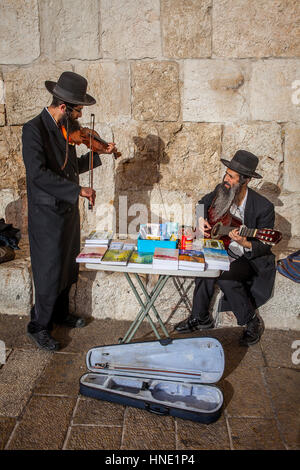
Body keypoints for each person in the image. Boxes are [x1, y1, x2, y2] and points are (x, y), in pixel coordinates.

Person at [22, 71, 118, 351]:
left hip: (67, 212)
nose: (79, 116)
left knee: (66, 266)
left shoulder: (65, 129)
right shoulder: (33, 130)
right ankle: (38, 325)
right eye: (78, 110)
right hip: (47, 214)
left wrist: (100, 153)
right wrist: (77, 191)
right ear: (63, 107)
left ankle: (60, 314)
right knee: (49, 269)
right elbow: (38, 174)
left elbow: (71, 168)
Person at [175, 150, 276, 346]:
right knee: (202, 265)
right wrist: (200, 218)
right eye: (226, 173)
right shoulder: (222, 189)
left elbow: (263, 247)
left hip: (248, 258)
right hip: (222, 247)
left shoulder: (263, 207)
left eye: (231, 176)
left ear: (245, 180)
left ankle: (250, 320)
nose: (226, 179)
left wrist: (243, 241)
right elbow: (201, 204)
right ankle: (200, 317)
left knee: (224, 274)